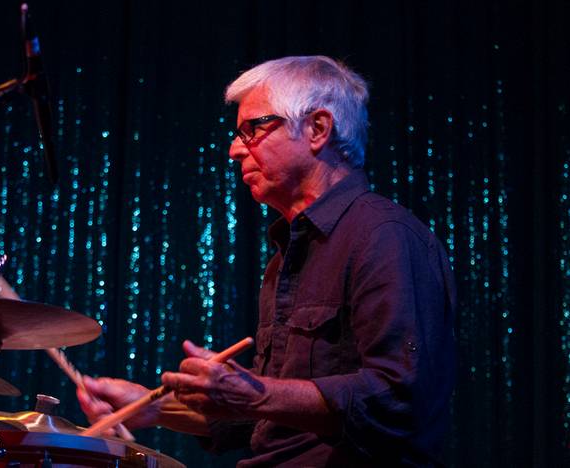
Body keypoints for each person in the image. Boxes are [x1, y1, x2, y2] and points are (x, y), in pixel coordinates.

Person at [78, 56, 456, 467]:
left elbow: (399, 398)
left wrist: (255, 392)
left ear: (317, 129)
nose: (234, 149)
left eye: (252, 129)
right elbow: (266, 418)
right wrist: (151, 408)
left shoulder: (385, 237)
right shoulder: (286, 258)